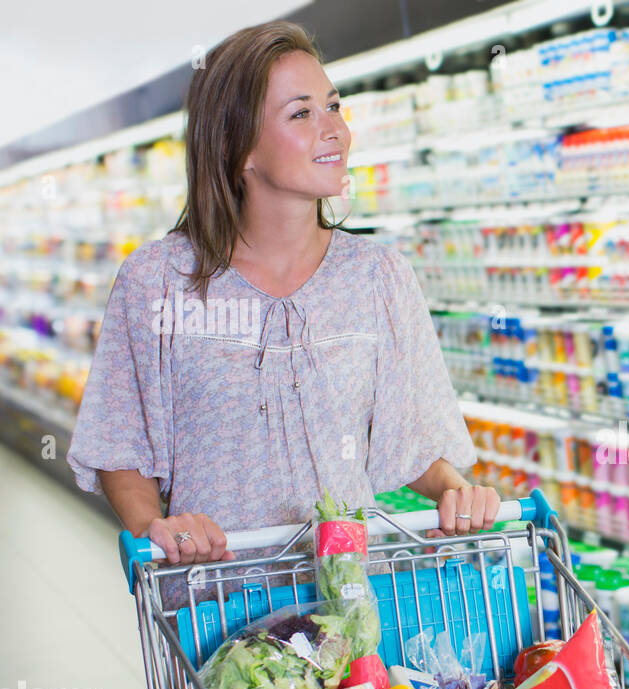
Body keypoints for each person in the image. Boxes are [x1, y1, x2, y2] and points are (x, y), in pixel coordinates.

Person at [68, 21, 498, 581]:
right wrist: (155, 523)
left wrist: (457, 492)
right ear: (236, 146)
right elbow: (121, 443)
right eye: (302, 113)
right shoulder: (159, 281)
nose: (335, 131)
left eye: (334, 107)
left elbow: (409, 441)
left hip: (349, 604)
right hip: (213, 602)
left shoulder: (379, 278)